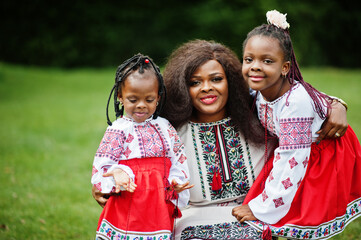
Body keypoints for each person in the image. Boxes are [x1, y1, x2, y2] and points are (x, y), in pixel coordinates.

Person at [92, 42, 348, 240]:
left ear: (232, 82)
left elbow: (297, 100)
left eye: (216, 79)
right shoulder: (167, 129)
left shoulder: (256, 114)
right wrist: (104, 184)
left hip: (252, 217)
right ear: (183, 87)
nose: (207, 88)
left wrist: (335, 105)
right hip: (190, 222)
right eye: (195, 82)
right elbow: (125, 163)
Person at [232, 10, 361, 239]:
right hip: (296, 149)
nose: (255, 66)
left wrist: (261, 208)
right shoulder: (259, 88)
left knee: (302, 215)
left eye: (267, 61)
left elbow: (293, 160)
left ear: (285, 68)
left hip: (324, 153)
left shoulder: (295, 103)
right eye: (249, 59)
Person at [91, 54, 193, 240]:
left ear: (158, 98)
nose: (141, 106)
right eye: (133, 99)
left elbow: (177, 158)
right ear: (120, 97)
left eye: (149, 99)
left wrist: (176, 182)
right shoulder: (118, 130)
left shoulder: (164, 127)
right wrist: (117, 172)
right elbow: (102, 165)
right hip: (127, 202)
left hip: (157, 204)